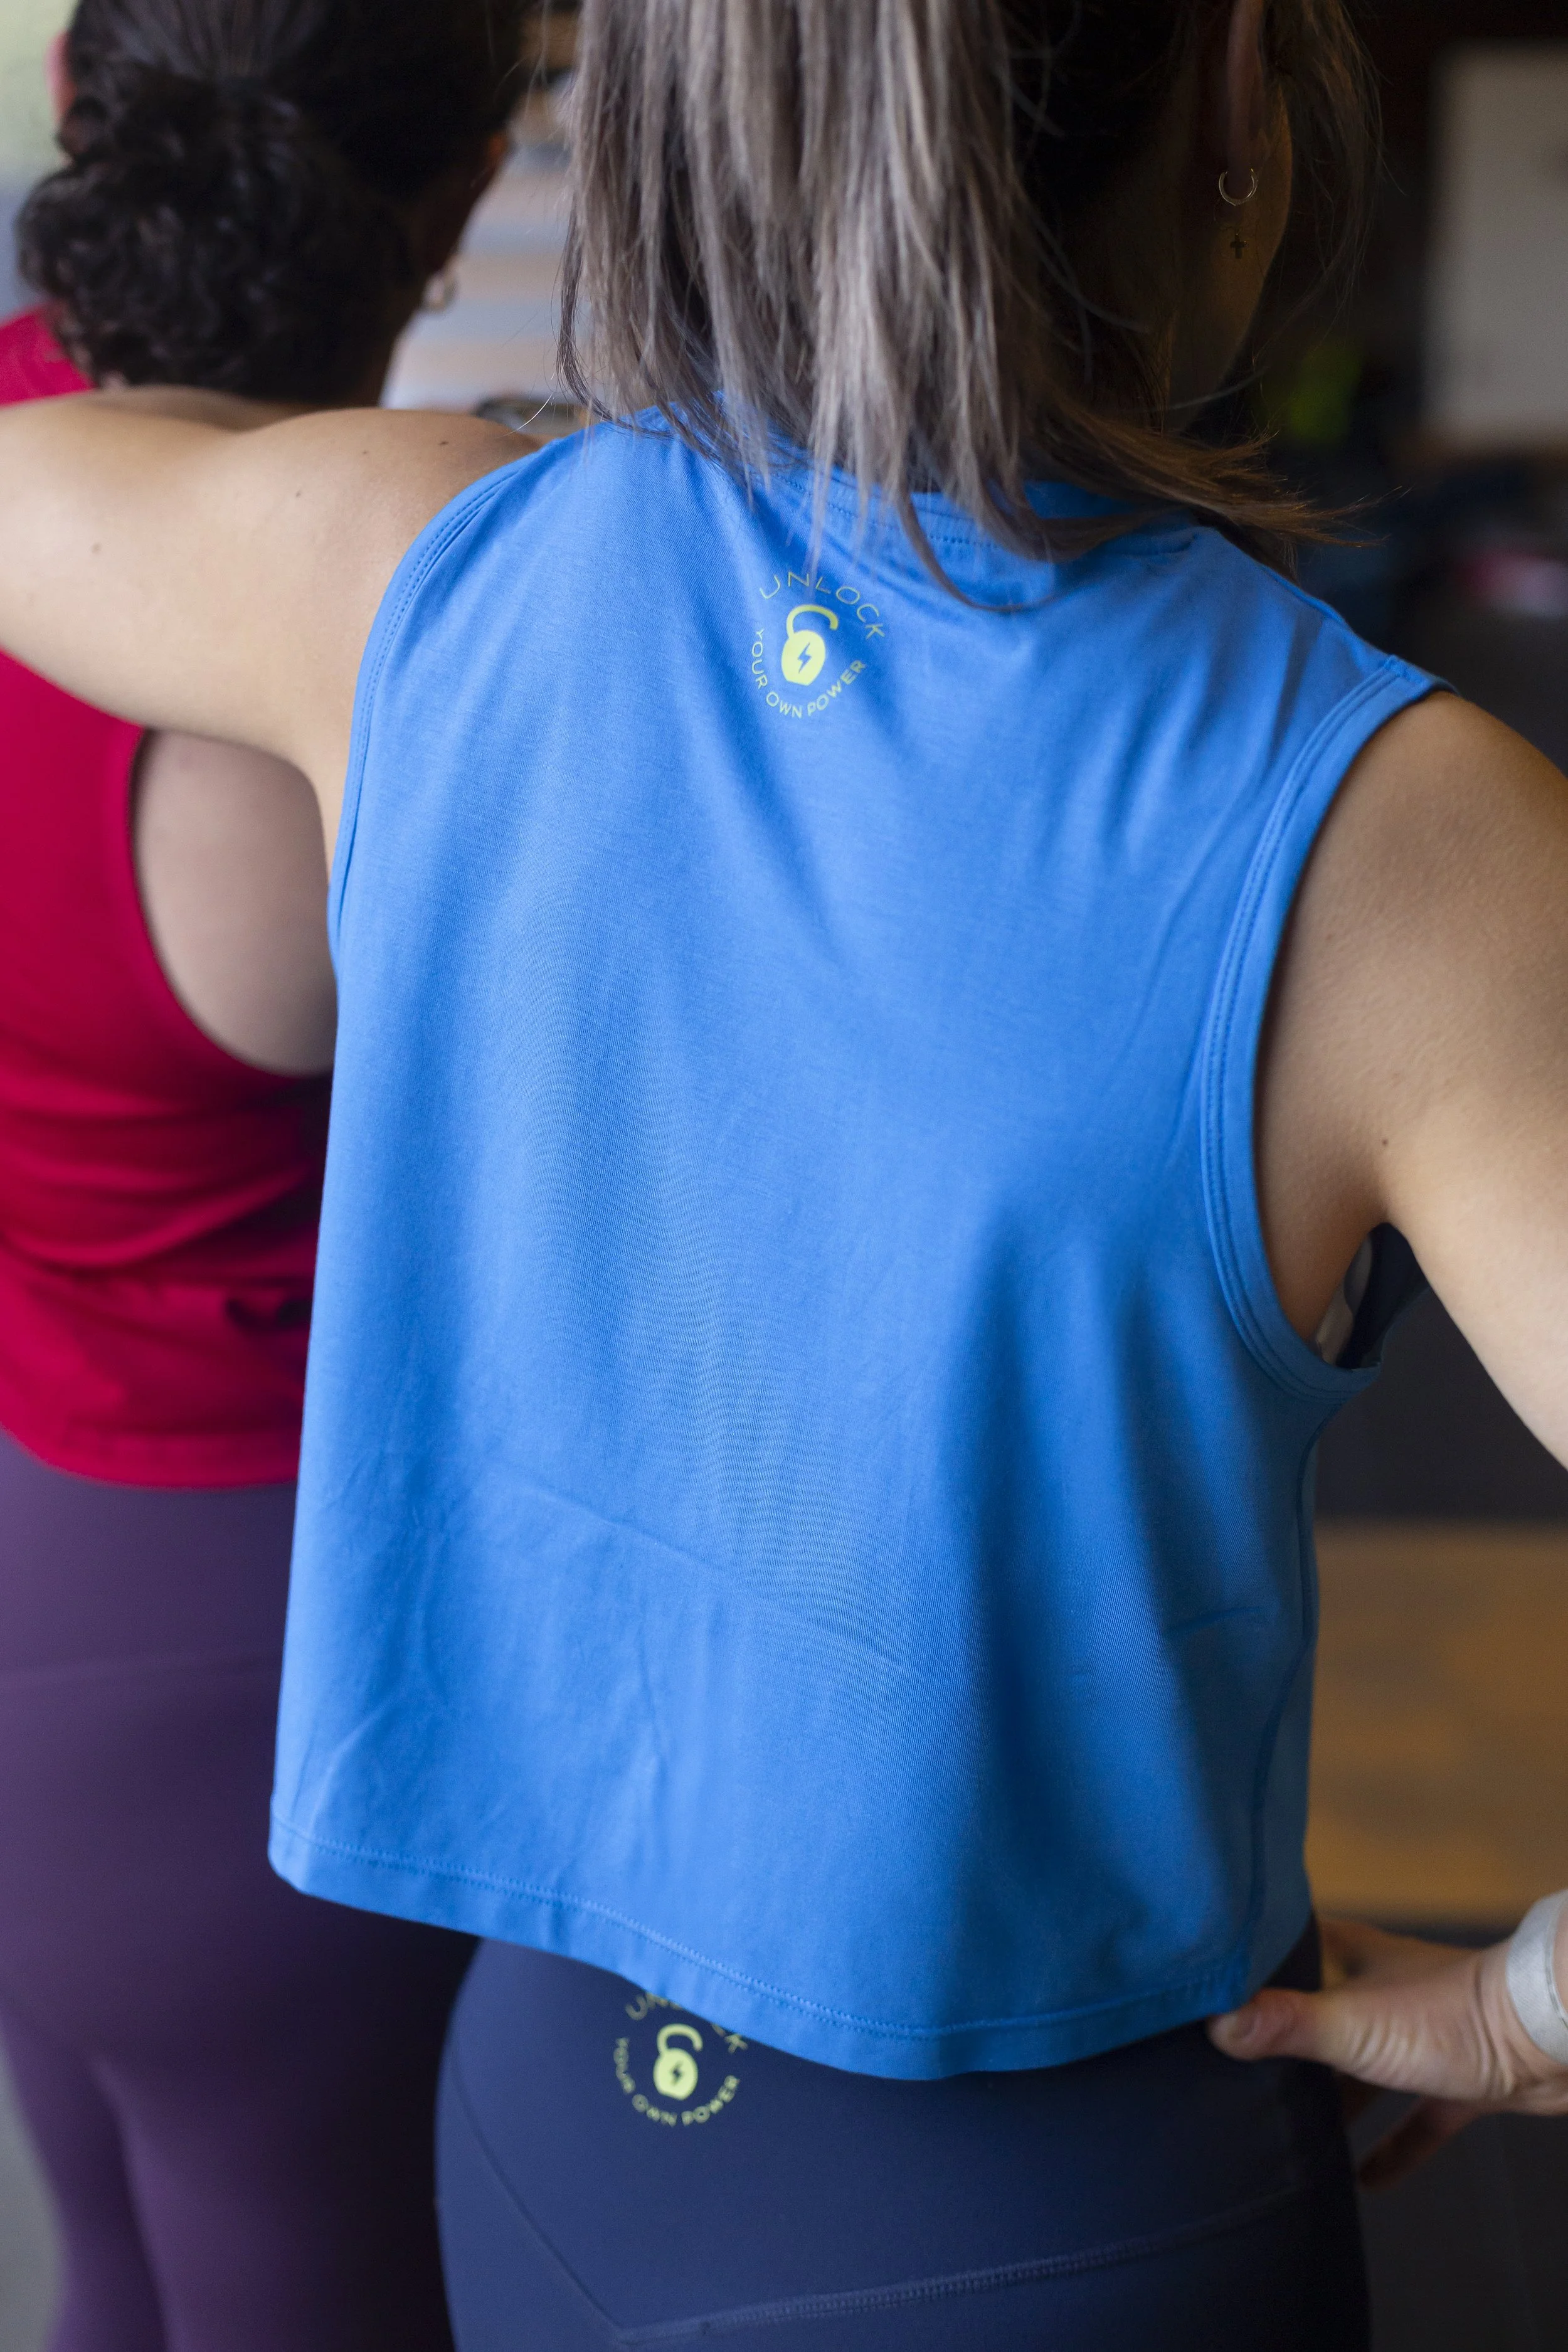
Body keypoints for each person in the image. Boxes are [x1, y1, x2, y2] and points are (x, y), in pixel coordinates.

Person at [1, 0, 1567, 2343]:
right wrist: (1532, 2005)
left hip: (535, 2125)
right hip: (1059, 2212)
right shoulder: (1414, 843)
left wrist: (523, 453)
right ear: (1236, 92)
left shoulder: (410, 564)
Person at [0, 1, 522, 2344]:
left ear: (81, 116)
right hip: (275, 1648)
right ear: (455, 196)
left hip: (33, 1559)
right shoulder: (392, 634)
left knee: (116, 2245)